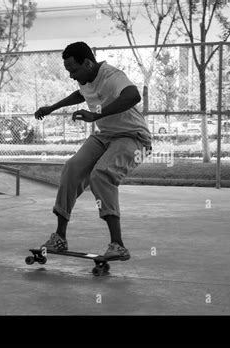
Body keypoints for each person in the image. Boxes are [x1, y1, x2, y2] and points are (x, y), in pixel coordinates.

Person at [34, 42, 152, 260]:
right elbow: (80, 94)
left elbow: (133, 96)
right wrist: (52, 108)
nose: (72, 76)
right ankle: (59, 237)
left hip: (133, 137)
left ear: (88, 63)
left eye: (74, 71)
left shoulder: (111, 75)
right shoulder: (86, 79)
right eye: (69, 72)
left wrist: (97, 115)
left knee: (101, 174)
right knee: (71, 169)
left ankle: (118, 245)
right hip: (105, 136)